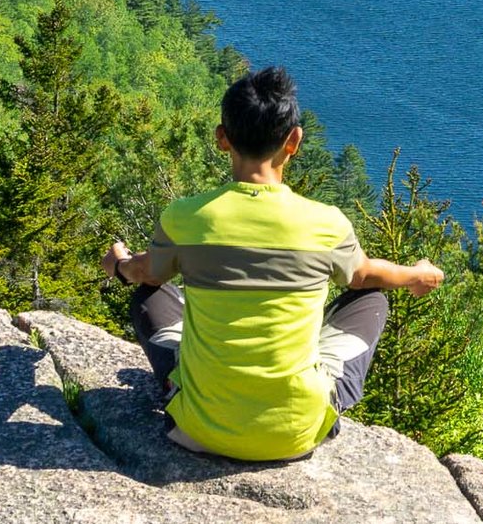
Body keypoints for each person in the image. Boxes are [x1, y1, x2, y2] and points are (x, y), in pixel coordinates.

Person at [103, 66, 444, 462]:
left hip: (197, 430)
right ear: (294, 141)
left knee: (149, 295)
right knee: (372, 299)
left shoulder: (186, 218)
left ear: (221, 139)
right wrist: (418, 274)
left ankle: (200, 392)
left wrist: (120, 264)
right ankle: (302, 394)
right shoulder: (325, 223)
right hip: (296, 434)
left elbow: (147, 274)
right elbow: (364, 275)